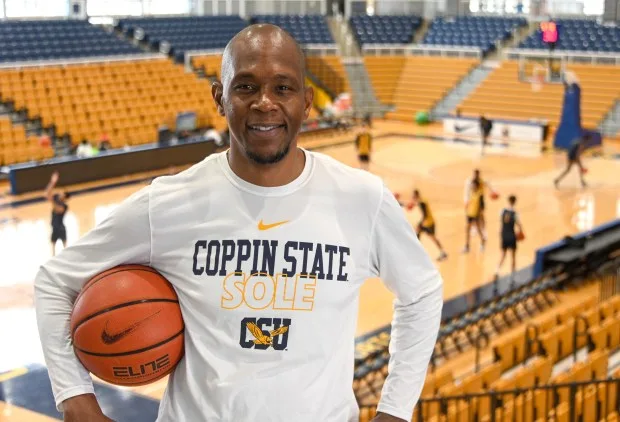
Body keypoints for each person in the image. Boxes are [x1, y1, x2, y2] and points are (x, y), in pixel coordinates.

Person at [34, 24, 443, 422]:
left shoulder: (362, 198)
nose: (265, 102)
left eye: (283, 87)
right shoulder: (168, 203)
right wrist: (75, 400)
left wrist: (395, 411)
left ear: (307, 100)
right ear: (220, 98)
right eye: (246, 86)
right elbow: (55, 282)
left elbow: (422, 292)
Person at [412, 190, 448, 262]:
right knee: (418, 233)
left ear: (416, 196)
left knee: (432, 238)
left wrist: (419, 224)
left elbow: (425, 215)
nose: (413, 198)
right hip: (428, 222)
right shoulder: (422, 201)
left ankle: (443, 252)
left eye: (413, 196)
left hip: (429, 223)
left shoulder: (421, 203)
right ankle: (417, 252)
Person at [494, 195, 523, 281]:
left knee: (503, 254)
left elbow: (501, 223)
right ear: (515, 202)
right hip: (511, 235)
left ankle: (496, 271)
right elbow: (519, 226)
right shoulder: (515, 213)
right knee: (513, 256)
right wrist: (520, 233)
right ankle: (513, 275)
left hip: (503, 234)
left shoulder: (502, 211)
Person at [463, 169, 496, 236]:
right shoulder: (470, 181)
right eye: (475, 174)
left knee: (481, 215)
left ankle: (483, 230)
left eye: (477, 174)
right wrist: (466, 200)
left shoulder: (481, 181)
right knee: (473, 215)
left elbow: (487, 184)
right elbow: (467, 191)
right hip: (472, 200)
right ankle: (474, 228)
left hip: (480, 200)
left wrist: (493, 191)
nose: (476, 175)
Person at [44, 171, 70, 256]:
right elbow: (46, 194)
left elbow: (58, 209)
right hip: (54, 227)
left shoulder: (65, 206)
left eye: (62, 193)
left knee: (65, 247)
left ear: (65, 197)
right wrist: (53, 182)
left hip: (61, 228)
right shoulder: (55, 198)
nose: (60, 193)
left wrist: (52, 201)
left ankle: (67, 259)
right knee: (53, 247)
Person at [463, 179, 486, 253]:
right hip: (469, 214)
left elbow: (482, 207)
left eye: (473, 185)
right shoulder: (471, 193)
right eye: (472, 185)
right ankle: (467, 246)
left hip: (476, 215)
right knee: (467, 230)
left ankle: (483, 242)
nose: (472, 186)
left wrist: (480, 216)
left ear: (477, 185)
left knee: (479, 230)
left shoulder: (480, 194)